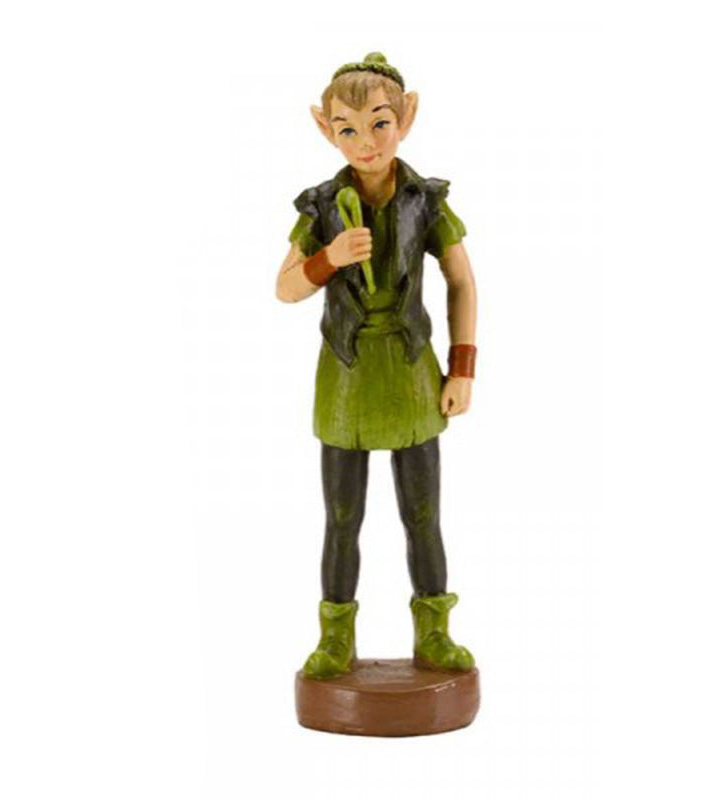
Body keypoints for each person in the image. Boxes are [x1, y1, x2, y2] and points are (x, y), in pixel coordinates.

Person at [276, 53, 478, 679]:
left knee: (423, 515)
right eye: (348, 129)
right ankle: (335, 638)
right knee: (342, 518)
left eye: (380, 124)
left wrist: (462, 368)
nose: (366, 142)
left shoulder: (427, 200)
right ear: (325, 128)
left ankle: (434, 631)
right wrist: (329, 258)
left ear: (406, 118)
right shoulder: (321, 206)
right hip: (347, 371)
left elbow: (462, 281)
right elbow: (285, 287)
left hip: (412, 370)